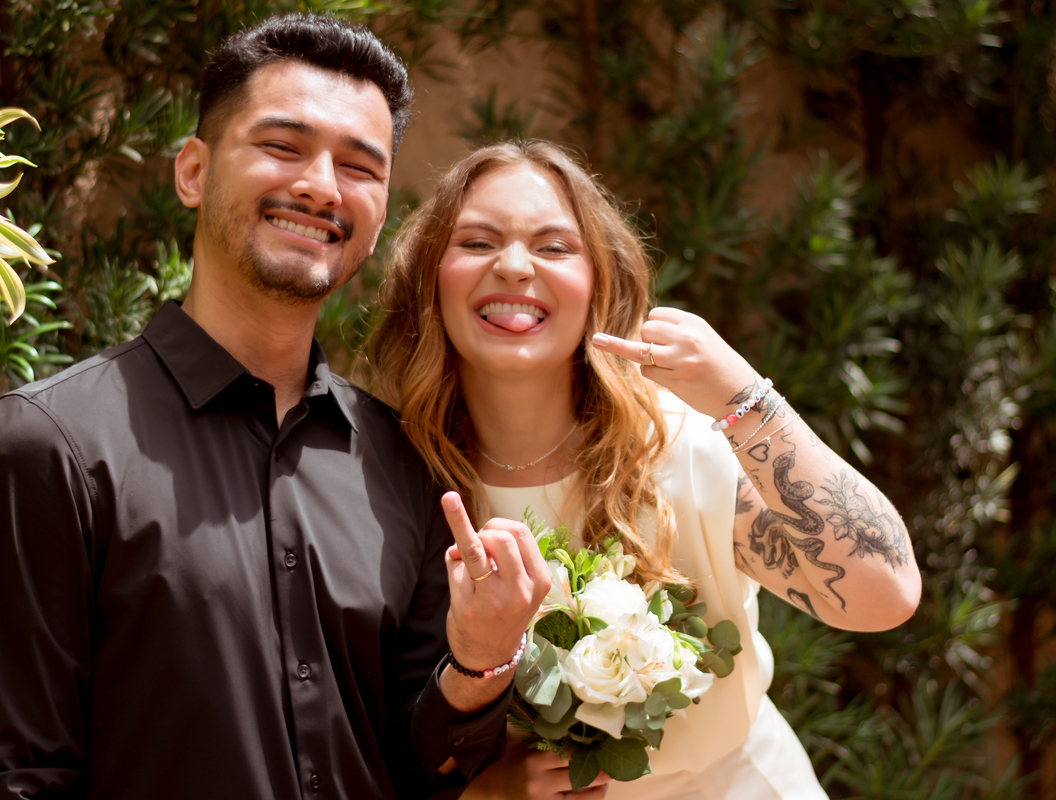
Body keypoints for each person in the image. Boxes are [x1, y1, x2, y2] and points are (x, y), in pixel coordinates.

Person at [0, 16, 550, 800]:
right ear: (193, 171)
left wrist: (477, 664)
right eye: (283, 147)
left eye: (360, 166)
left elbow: (419, 765)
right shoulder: (53, 447)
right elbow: (11, 777)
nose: (322, 186)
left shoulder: (407, 464)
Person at [365, 140, 922, 799]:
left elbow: (883, 595)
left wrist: (749, 398)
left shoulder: (680, 447)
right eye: (478, 242)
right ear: (430, 277)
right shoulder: (385, 480)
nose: (514, 266)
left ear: (600, 283)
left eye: (553, 247)